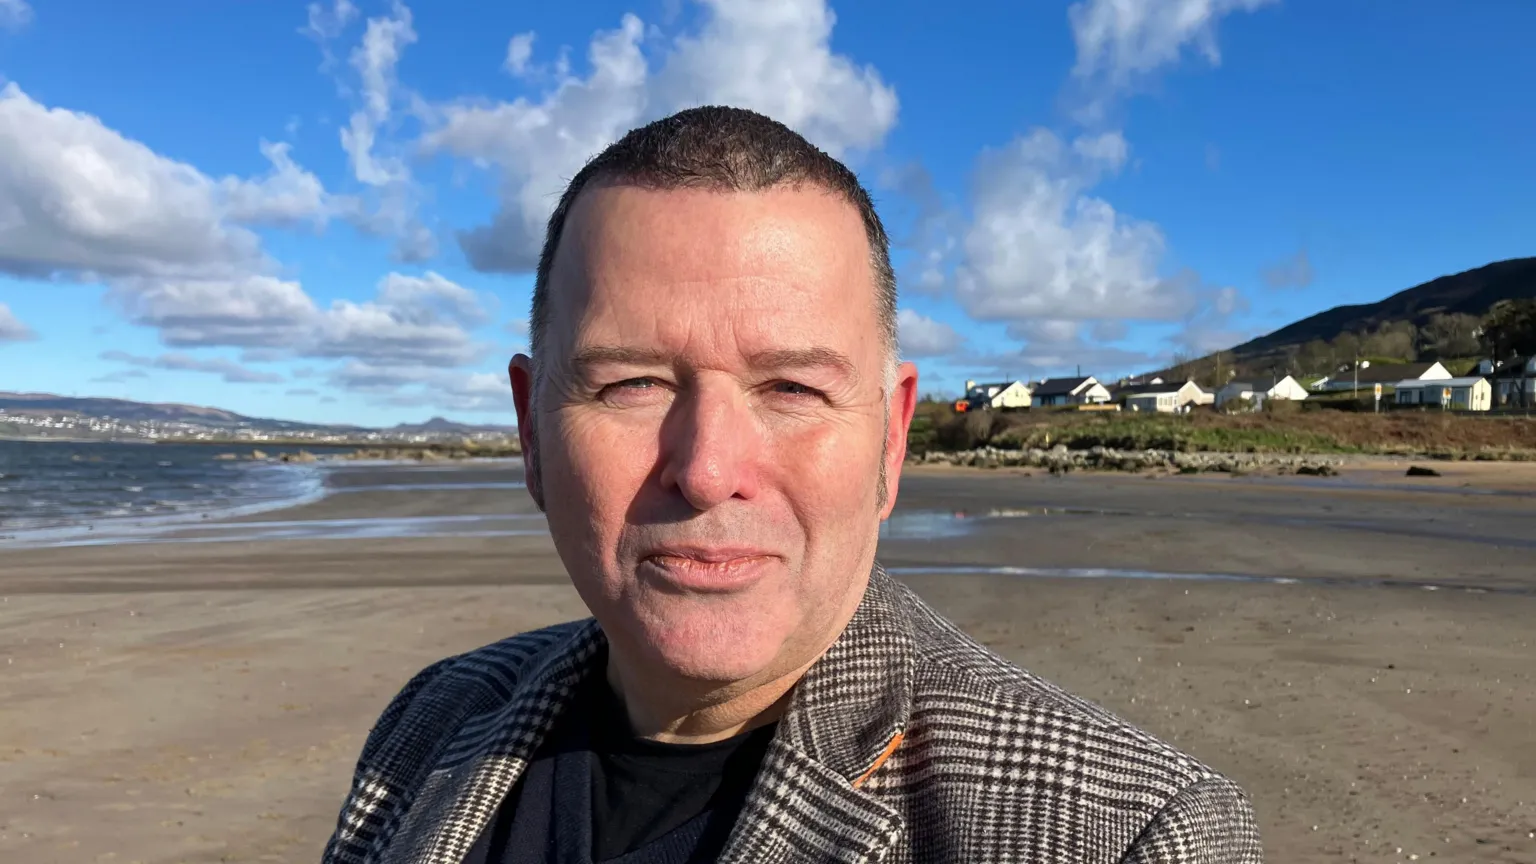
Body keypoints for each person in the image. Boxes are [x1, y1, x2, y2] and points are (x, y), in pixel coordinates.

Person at [321, 106, 1262, 864]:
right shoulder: (434, 718)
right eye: (632, 384)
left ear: (890, 440)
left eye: (791, 388)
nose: (707, 468)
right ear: (531, 430)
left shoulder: (1128, 833)